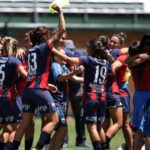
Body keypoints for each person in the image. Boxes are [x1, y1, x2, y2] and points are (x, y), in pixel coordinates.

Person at [11, 3, 66, 150]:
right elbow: (62, 30)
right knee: (54, 120)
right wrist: (60, 11)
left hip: (27, 90)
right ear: (45, 36)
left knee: (24, 123)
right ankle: (39, 147)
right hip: (40, 90)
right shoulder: (44, 46)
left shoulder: (30, 51)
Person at [51, 38, 115, 150]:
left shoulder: (88, 60)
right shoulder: (106, 63)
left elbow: (68, 59)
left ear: (91, 49)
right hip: (102, 99)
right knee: (100, 129)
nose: (86, 48)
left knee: (92, 129)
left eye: (88, 46)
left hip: (91, 99)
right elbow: (113, 73)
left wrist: (52, 49)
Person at [49, 46, 84, 150]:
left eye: (65, 54)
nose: (65, 56)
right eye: (62, 54)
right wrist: (74, 72)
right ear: (55, 57)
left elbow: (75, 79)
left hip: (61, 101)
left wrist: (91, 80)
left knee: (60, 129)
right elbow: (60, 78)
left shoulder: (63, 66)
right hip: (56, 101)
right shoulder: (55, 65)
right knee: (62, 128)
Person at [0, 36, 27, 149]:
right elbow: (25, 75)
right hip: (9, 97)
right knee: (19, 126)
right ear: (14, 49)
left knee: (7, 127)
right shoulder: (13, 60)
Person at [64, 39, 91, 148]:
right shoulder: (61, 56)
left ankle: (81, 140)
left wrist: (78, 71)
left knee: (79, 117)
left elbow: (82, 69)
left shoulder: (78, 55)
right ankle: (64, 141)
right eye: (68, 49)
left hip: (77, 91)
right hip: (64, 89)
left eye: (72, 49)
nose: (70, 51)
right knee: (63, 117)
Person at [125, 35, 150, 150]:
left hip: (140, 96)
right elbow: (128, 61)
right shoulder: (138, 62)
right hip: (142, 96)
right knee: (144, 131)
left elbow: (127, 61)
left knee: (141, 130)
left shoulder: (135, 62)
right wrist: (142, 56)